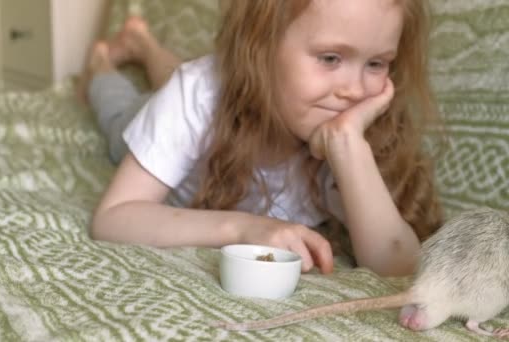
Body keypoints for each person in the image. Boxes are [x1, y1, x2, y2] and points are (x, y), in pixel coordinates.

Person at [83, 0, 444, 277]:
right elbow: (112, 218)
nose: (354, 90)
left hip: (214, 96)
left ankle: (143, 44)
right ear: (261, 47)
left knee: (183, 80)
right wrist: (241, 227)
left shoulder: (349, 125)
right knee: (122, 111)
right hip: (181, 105)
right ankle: (104, 63)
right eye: (331, 58)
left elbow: (398, 268)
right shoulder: (197, 93)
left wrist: (349, 145)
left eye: (377, 64)